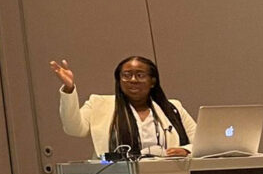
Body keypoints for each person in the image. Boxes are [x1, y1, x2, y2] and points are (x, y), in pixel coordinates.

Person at [50, 56, 197, 158]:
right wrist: (69, 89)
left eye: (140, 75)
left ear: (152, 81)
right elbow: (74, 129)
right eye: (126, 75)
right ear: (119, 81)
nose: (133, 80)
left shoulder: (172, 108)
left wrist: (185, 150)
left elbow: (201, 142)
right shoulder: (98, 104)